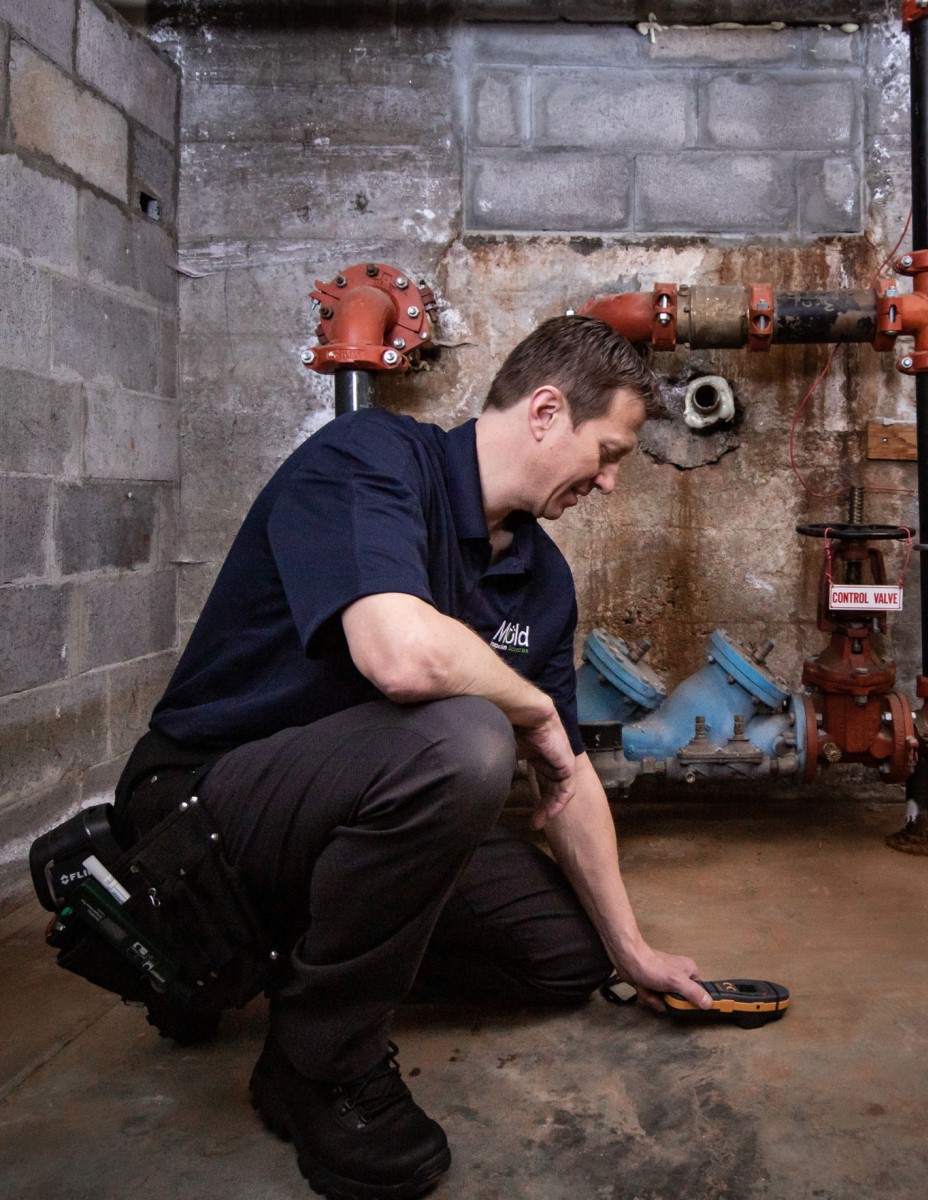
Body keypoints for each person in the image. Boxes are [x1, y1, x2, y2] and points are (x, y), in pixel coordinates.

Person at [115, 315, 711, 1200]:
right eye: (610, 450)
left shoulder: (542, 580)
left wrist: (634, 949)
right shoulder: (370, 459)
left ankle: (256, 960)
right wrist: (533, 710)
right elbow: (400, 657)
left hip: (352, 821)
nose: (613, 483)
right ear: (546, 411)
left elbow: (568, 772)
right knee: (467, 739)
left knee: (563, 958)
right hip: (205, 804)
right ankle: (317, 1062)